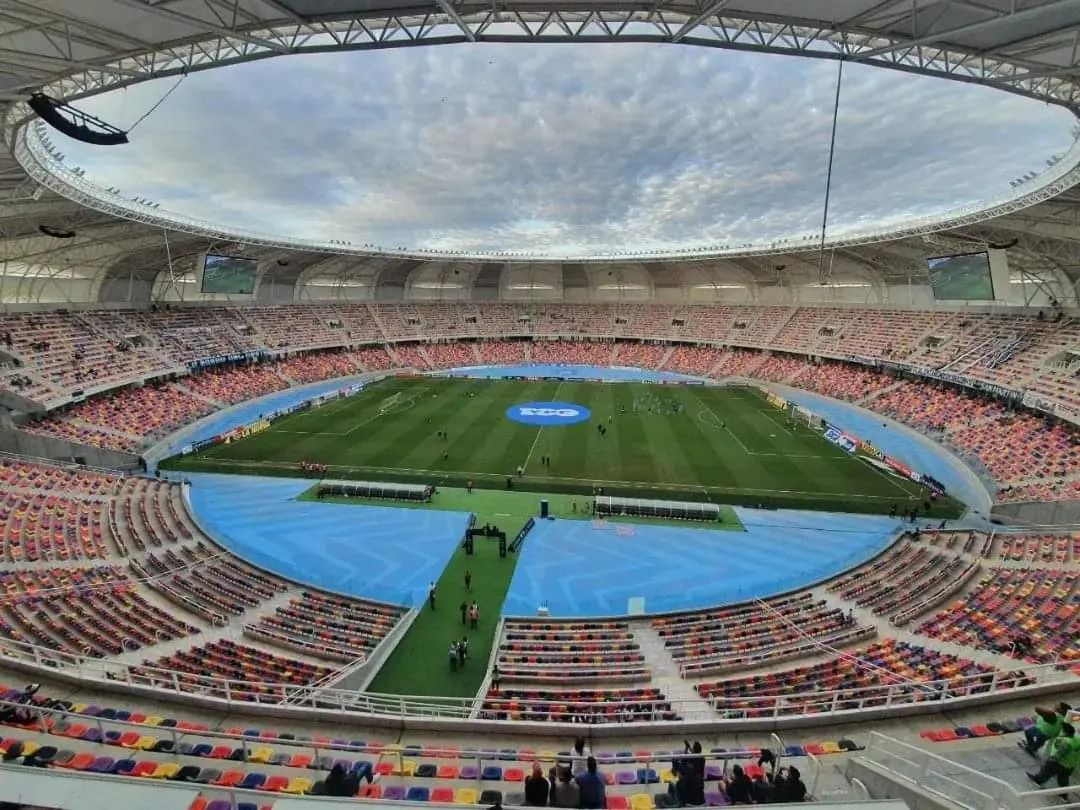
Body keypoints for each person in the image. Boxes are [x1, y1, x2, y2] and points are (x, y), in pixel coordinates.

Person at [1028, 723, 1080, 788]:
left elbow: (1060, 754)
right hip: (1071, 765)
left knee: (1046, 772)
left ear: (1065, 732)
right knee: (1063, 778)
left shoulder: (1067, 743)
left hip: (1058, 763)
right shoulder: (1078, 740)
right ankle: (1063, 792)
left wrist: (1050, 760)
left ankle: (1038, 780)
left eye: (1062, 730)